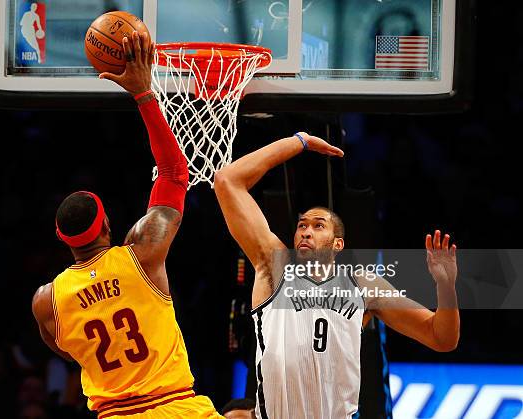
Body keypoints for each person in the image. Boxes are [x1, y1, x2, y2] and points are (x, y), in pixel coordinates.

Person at [32, 31, 222, 418]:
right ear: (107, 224)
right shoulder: (143, 253)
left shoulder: (46, 300)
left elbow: (69, 351)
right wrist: (143, 93)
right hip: (176, 407)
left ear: (61, 237)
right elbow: (173, 173)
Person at [213, 132, 460, 418]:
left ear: (338, 244)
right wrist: (300, 141)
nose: (306, 230)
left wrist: (446, 287)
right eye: (302, 225)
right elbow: (227, 181)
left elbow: (441, 337)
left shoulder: (362, 285)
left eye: (319, 226)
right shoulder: (274, 267)